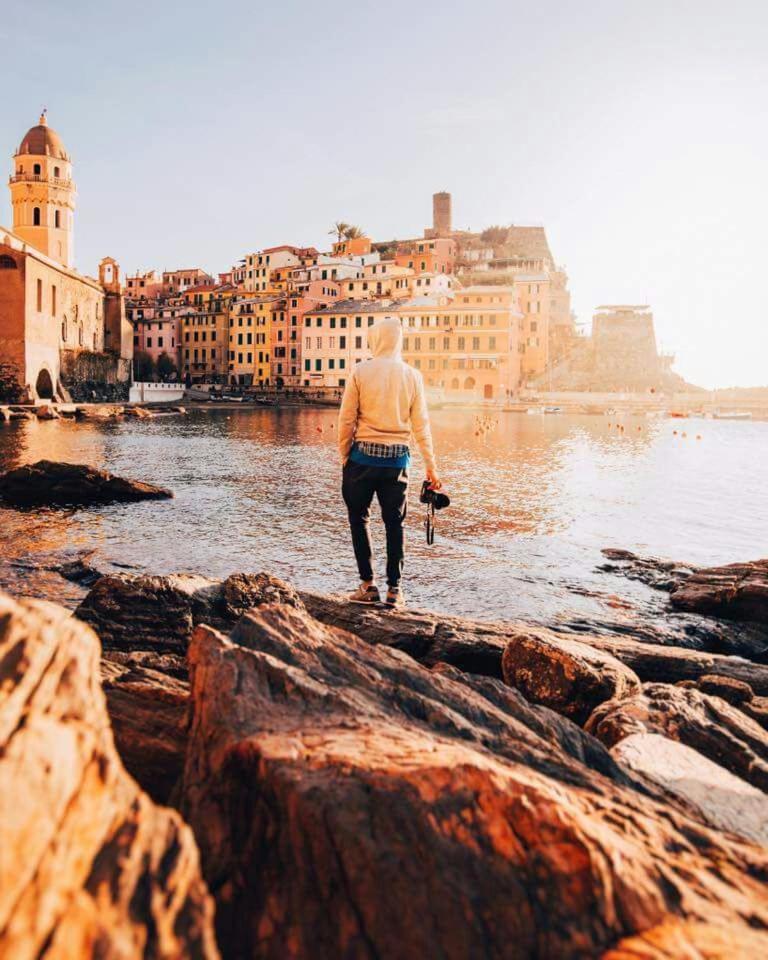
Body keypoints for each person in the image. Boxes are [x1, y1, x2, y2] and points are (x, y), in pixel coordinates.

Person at [338, 316, 441, 608]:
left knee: (359, 520)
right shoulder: (413, 375)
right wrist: (431, 466)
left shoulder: (360, 371)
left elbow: (347, 420)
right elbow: (422, 425)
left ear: (376, 339)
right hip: (397, 462)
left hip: (361, 460)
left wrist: (345, 454)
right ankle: (395, 591)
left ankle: (368, 586)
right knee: (394, 523)